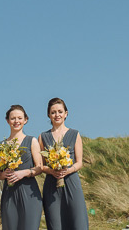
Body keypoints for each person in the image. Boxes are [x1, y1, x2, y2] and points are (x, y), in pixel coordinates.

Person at [39, 97, 89, 230]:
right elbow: (41, 165)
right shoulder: (43, 137)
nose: (57, 115)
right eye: (53, 112)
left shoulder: (75, 134)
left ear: (66, 113)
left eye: (60, 111)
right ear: (48, 115)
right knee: (55, 224)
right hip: (51, 185)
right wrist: (51, 171)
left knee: (77, 221)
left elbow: (79, 162)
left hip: (72, 183)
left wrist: (68, 170)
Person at [0, 104, 43, 230]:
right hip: (9, 194)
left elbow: (40, 167)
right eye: (13, 118)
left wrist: (24, 173)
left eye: (19, 118)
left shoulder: (32, 141)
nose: (16, 121)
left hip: (29, 193)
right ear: (7, 121)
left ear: (25, 120)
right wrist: (4, 174)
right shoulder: (0, 145)